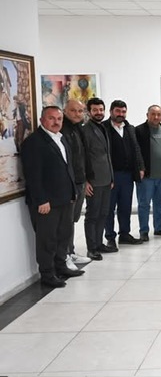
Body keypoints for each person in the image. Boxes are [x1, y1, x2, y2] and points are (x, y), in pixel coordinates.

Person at [21, 106, 83, 288]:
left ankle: (61, 267)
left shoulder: (61, 138)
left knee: (64, 235)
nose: (56, 122)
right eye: (51, 118)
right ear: (42, 120)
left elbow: (68, 168)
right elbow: (32, 174)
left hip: (65, 198)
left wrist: (73, 192)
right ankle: (47, 274)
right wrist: (41, 200)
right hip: (47, 202)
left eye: (59, 119)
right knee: (47, 240)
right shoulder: (34, 142)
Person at [103, 100, 145, 247]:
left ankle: (125, 234)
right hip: (111, 175)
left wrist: (140, 167)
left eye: (123, 111)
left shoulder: (129, 128)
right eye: (118, 111)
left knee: (125, 206)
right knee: (109, 208)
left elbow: (136, 148)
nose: (121, 114)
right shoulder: (104, 128)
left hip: (127, 175)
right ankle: (110, 237)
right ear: (111, 112)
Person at [135, 105, 161, 240]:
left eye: (159, 114)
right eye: (153, 114)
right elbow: (136, 151)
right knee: (144, 204)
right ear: (147, 115)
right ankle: (144, 231)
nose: (156, 117)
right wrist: (139, 168)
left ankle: (159, 228)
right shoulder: (139, 130)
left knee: (160, 203)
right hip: (147, 176)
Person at [82, 98, 116, 260]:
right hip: (93, 180)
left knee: (103, 213)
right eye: (95, 110)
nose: (99, 112)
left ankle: (99, 243)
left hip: (106, 178)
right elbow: (82, 157)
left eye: (101, 109)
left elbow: (107, 155)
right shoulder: (85, 130)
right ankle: (91, 248)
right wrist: (85, 181)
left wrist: (111, 177)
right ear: (89, 112)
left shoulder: (103, 127)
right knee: (93, 215)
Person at [60, 99, 91, 269]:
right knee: (66, 222)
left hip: (80, 181)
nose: (77, 114)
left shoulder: (78, 128)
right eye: (73, 110)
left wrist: (86, 179)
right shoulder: (62, 130)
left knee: (72, 220)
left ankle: (70, 252)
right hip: (69, 184)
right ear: (65, 111)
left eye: (80, 111)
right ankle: (64, 256)